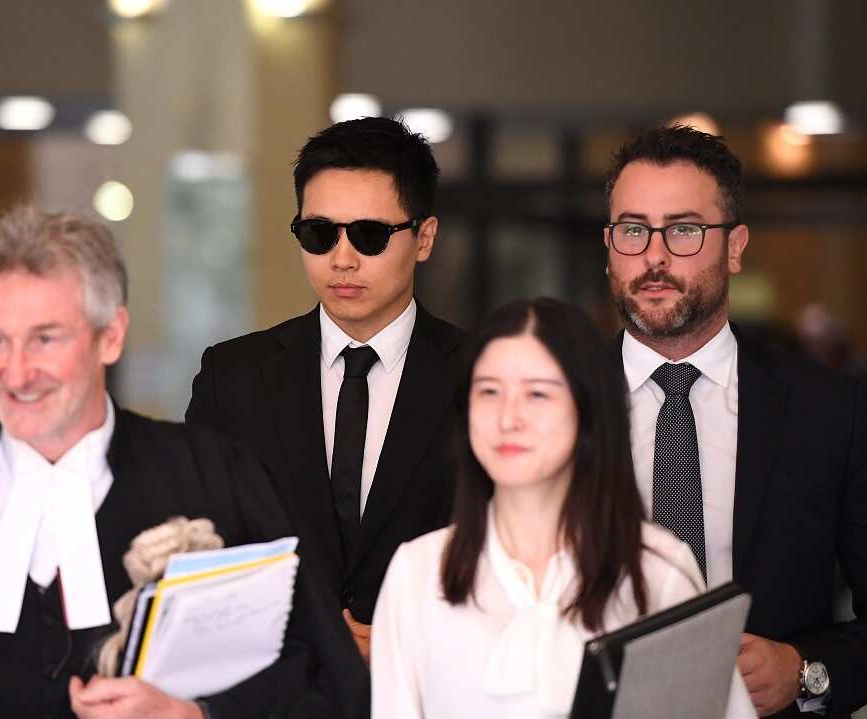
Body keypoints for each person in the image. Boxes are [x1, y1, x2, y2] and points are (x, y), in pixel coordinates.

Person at [0, 207, 365, 719]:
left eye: (45, 339)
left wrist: (201, 716)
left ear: (109, 336)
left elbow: (328, 683)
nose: (16, 373)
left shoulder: (216, 481)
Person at [370, 298, 755, 718]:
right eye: (489, 392)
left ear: (587, 409)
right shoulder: (418, 573)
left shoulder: (657, 569)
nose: (508, 418)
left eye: (537, 394)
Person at [604, 125, 867, 718]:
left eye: (685, 230)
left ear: (736, 246)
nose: (654, 255)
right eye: (633, 229)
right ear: (609, 243)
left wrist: (805, 671)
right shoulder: (553, 405)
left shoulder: (829, 410)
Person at [186, 117, 466, 662]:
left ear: (424, 237)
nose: (342, 258)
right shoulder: (234, 376)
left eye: (369, 234)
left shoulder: (482, 376)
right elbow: (199, 546)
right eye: (319, 233)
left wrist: (405, 641)